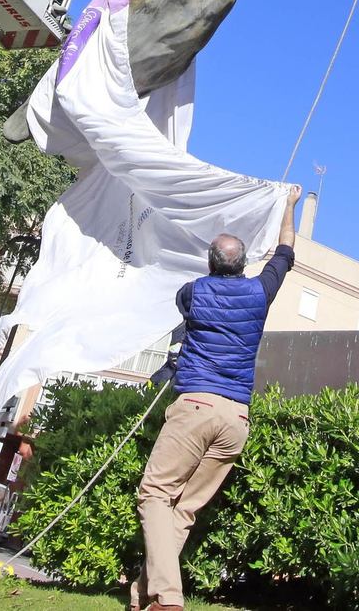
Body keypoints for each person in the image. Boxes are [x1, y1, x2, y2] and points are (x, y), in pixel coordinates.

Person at [132, 185, 302, 611]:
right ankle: (142, 597)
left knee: (154, 493)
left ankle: (168, 598)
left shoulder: (193, 293)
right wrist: (289, 205)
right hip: (237, 420)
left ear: (211, 264)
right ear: (244, 265)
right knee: (183, 510)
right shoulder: (261, 293)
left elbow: (184, 297)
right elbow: (285, 250)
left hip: (196, 407)